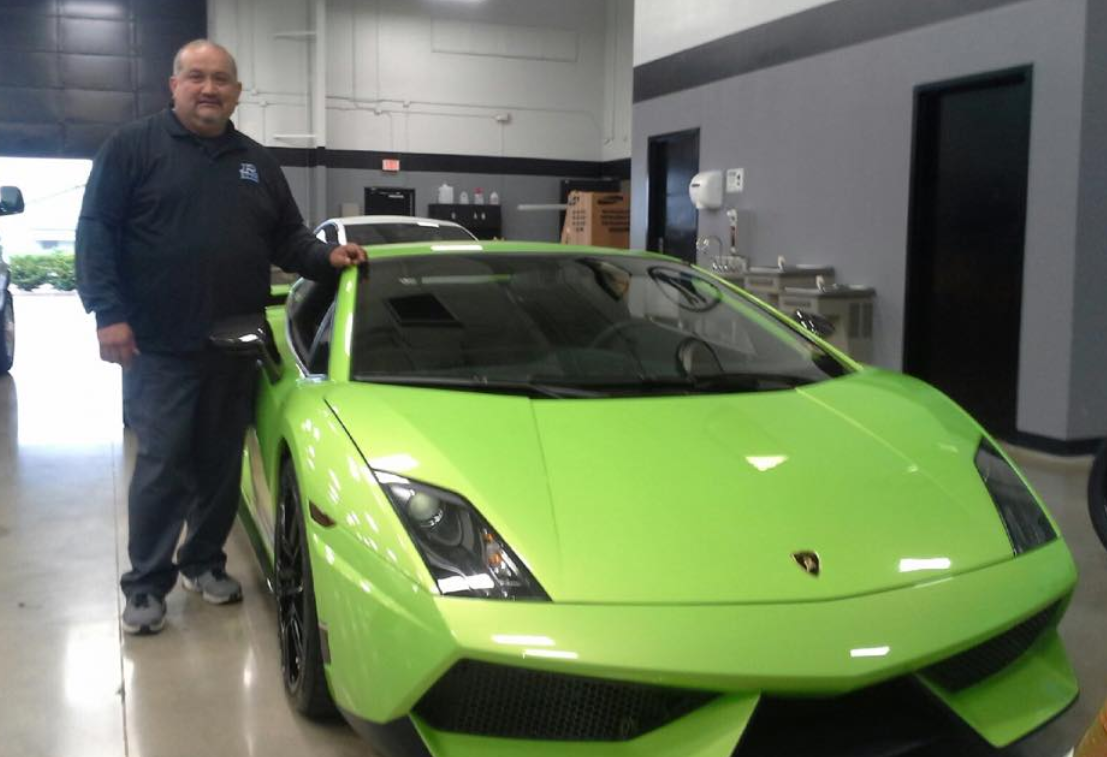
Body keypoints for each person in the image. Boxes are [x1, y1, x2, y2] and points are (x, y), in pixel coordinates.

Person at [76, 39, 366, 635]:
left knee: (219, 464)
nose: (209, 88)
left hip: (235, 344)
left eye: (221, 80)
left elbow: (289, 238)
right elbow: (96, 230)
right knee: (162, 464)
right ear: (174, 85)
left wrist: (328, 257)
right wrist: (108, 313)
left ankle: (203, 563)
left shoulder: (257, 163)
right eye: (196, 77)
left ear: (237, 93)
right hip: (159, 344)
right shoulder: (132, 148)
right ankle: (145, 586)